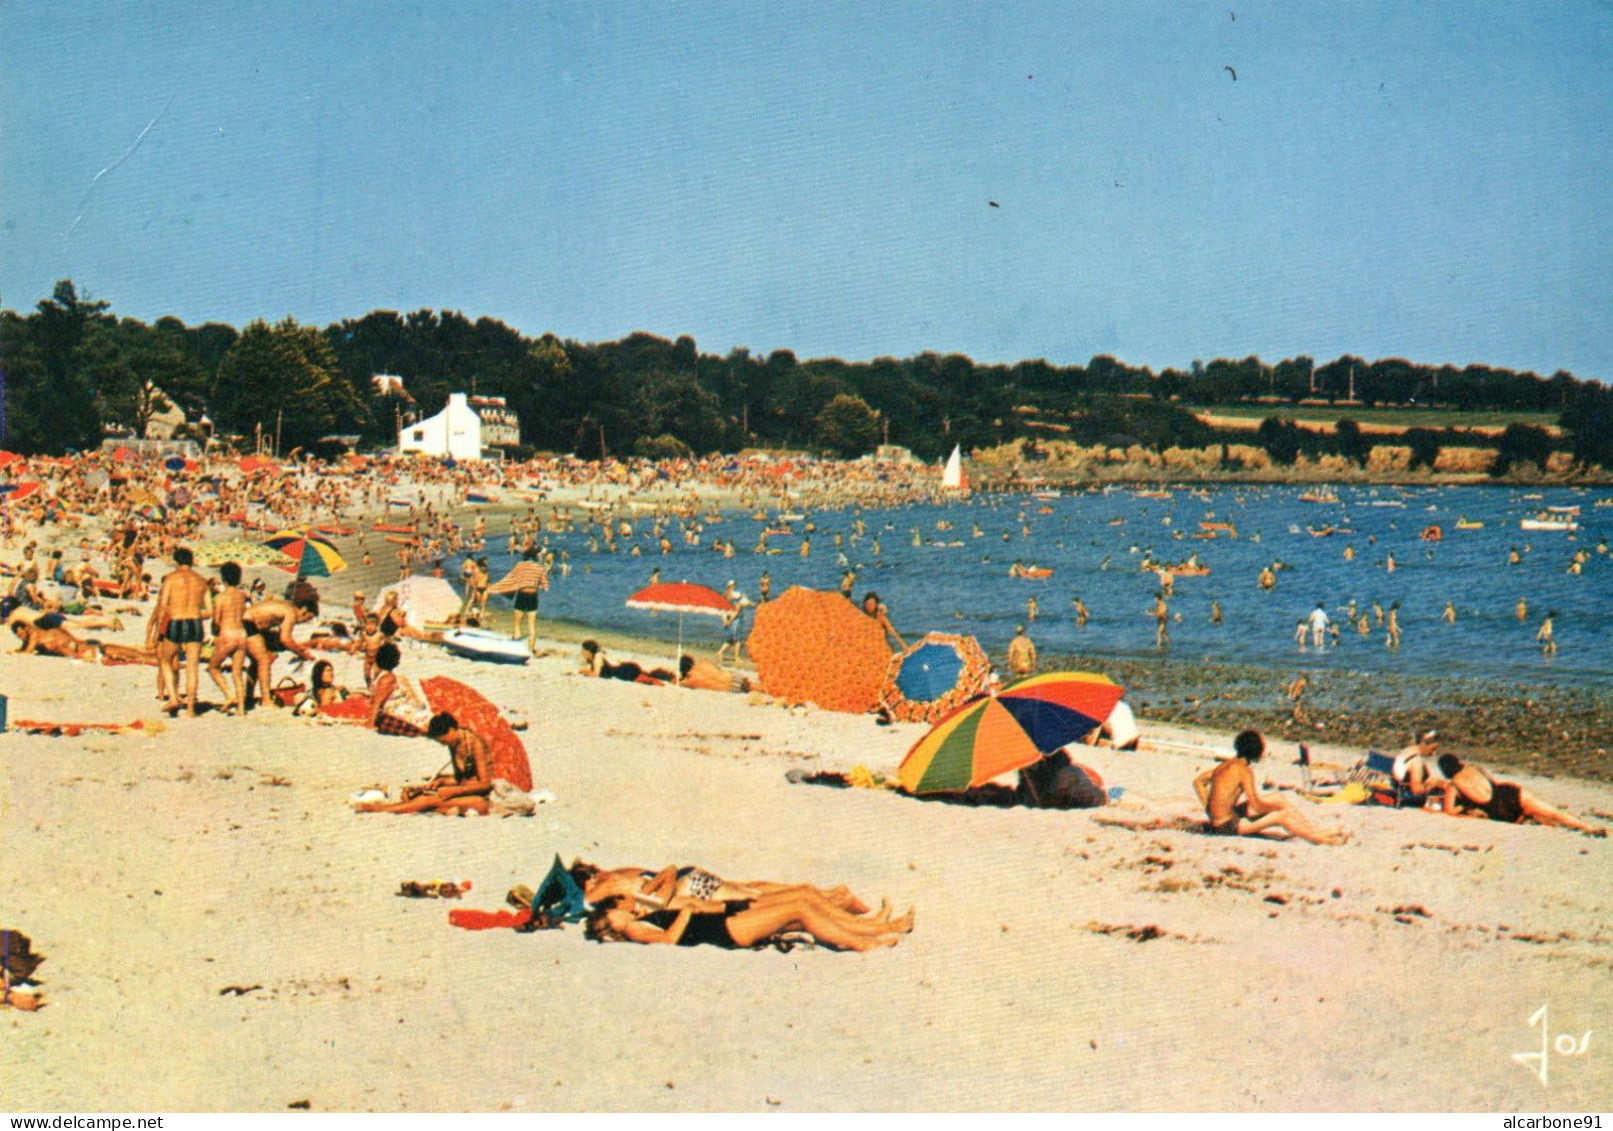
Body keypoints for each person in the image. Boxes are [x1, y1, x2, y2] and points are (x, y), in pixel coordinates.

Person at [585, 891, 912, 952]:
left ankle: (878, 927)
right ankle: (865, 939)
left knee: (805, 902)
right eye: (609, 912)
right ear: (609, 925)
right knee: (799, 908)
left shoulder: (636, 919)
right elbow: (668, 940)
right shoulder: (630, 928)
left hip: (721, 921)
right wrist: (686, 910)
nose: (617, 909)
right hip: (724, 933)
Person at [1193, 730, 1349, 845]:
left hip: (1223, 819)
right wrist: (1274, 809)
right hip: (1226, 827)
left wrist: (1210, 809)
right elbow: (1256, 804)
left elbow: (1198, 782)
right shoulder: (1244, 771)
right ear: (1256, 751)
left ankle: (1317, 831)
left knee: (1278, 798)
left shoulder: (1225, 765)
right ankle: (1321, 839)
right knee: (1282, 815)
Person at [357, 712, 495, 815]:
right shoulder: (454, 743)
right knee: (424, 795)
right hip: (465, 791)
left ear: (451, 730)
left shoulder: (475, 744)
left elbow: (484, 784)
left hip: (480, 797)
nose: (442, 744)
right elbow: (462, 778)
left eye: (442, 741)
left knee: (431, 799)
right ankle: (445, 809)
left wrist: (454, 790)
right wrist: (442, 781)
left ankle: (383, 809)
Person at [1435, 754, 1605, 836]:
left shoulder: (1453, 785)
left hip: (1497, 810)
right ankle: (1588, 827)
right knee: (1553, 812)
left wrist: (1464, 810)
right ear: (1459, 762)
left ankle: (1540, 821)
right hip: (1507, 793)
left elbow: (1449, 812)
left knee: (1530, 816)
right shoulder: (1474, 767)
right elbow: (1492, 783)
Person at [150, 547, 211, 717]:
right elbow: (209, 611)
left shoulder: (171, 578)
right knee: (192, 668)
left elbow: (163, 607)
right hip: (195, 622)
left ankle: (173, 697)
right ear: (192, 561)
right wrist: (193, 613)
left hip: (175, 621)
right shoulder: (201, 581)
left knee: (165, 660)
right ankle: (191, 709)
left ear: (176, 562)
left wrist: (157, 633)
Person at [243, 593, 319, 708]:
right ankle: (266, 700)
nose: (305, 622)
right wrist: (303, 654)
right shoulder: (292, 613)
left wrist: (297, 648)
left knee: (258, 661)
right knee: (264, 661)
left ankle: (249, 697)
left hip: (247, 621)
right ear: (304, 611)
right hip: (247, 622)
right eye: (308, 618)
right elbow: (286, 639)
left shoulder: (286, 606)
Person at [207, 561, 250, 716]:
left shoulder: (220, 598)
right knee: (237, 673)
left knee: (213, 668)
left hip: (227, 635)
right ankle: (241, 709)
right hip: (242, 635)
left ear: (223, 579)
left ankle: (230, 696)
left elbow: (217, 621)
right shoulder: (242, 596)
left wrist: (214, 631)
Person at [1390, 729, 1444, 801]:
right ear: (1423, 743)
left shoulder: (1408, 751)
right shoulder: (1416, 761)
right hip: (1405, 793)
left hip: (1397, 784)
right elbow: (1416, 789)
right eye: (1433, 749)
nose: (1434, 753)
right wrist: (1428, 788)